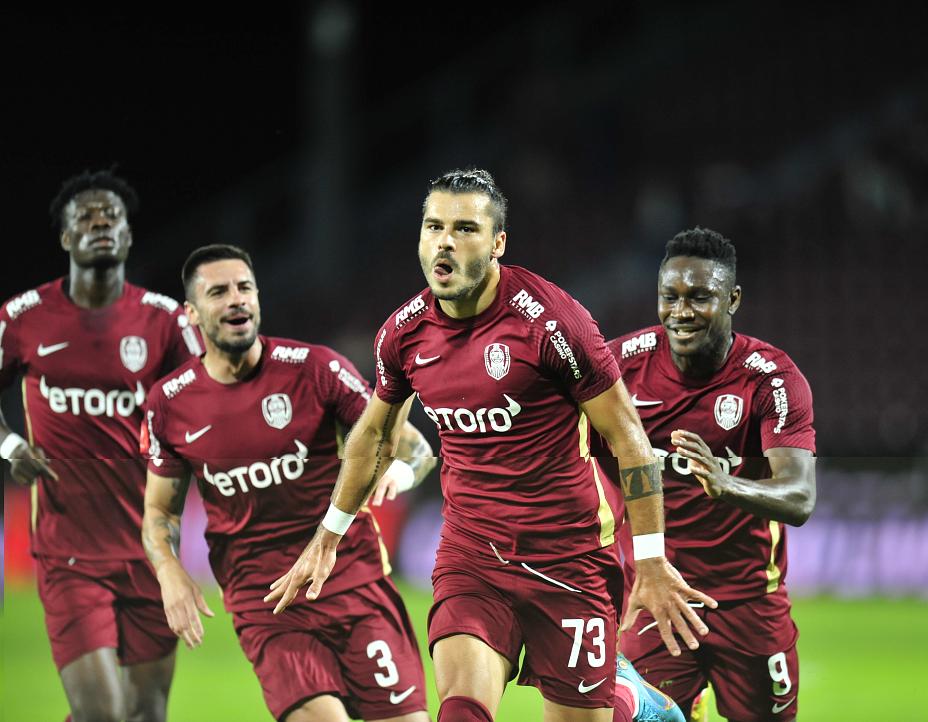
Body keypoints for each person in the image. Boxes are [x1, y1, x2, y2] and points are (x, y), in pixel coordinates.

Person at [266, 169, 717, 722]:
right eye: (434, 227)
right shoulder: (403, 334)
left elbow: (630, 441)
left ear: (497, 242)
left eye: (465, 228)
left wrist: (650, 560)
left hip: (569, 558)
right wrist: (328, 535)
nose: (445, 242)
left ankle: (639, 700)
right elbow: (375, 436)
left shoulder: (552, 322)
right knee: (461, 712)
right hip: (473, 556)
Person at [141, 244, 435, 722]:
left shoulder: (315, 370)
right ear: (191, 313)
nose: (236, 299)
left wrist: (399, 475)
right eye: (218, 292)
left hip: (355, 586)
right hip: (268, 607)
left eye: (244, 288)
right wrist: (168, 570)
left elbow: (416, 449)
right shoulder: (169, 405)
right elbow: (159, 511)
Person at [0, 169, 202, 721]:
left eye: (111, 216)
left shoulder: (165, 321)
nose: (100, 224)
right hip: (69, 553)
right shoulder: (23, 318)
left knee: (146, 714)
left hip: (152, 549)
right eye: (85, 218)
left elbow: (209, 400)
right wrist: (11, 447)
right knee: (103, 716)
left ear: (129, 235)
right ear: (66, 237)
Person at [606, 228, 816, 722]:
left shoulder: (771, 379)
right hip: (659, 593)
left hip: (748, 602)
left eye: (699, 297)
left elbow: (800, 496)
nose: (681, 312)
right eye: (670, 297)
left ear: (732, 300)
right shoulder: (621, 367)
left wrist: (726, 485)